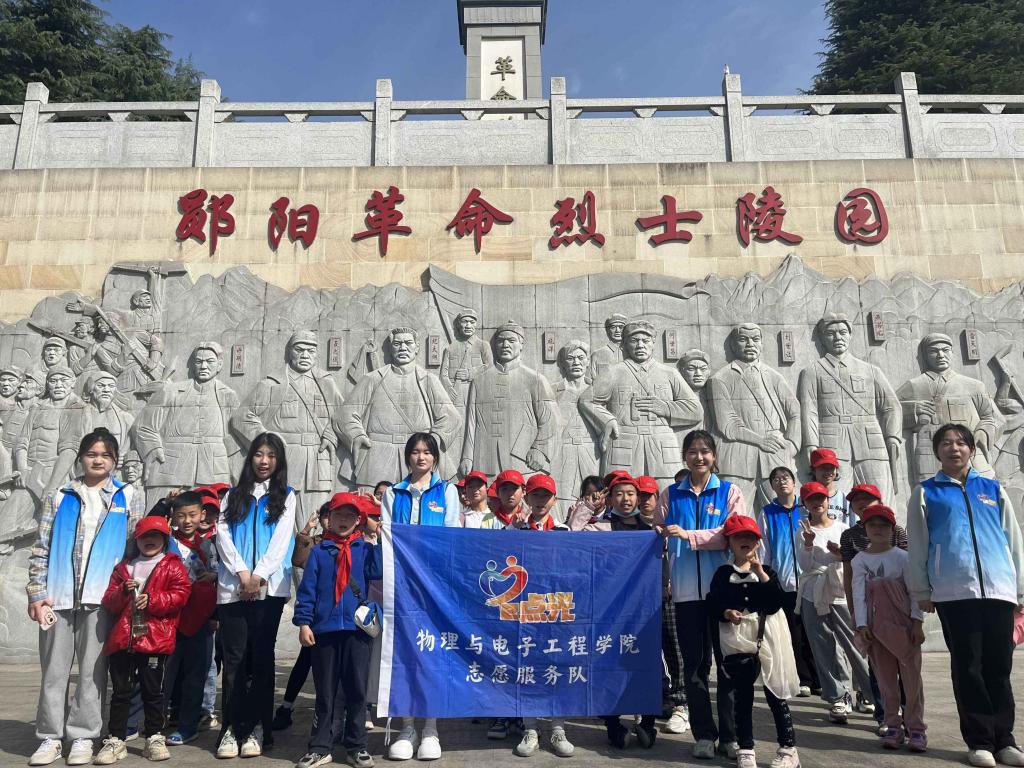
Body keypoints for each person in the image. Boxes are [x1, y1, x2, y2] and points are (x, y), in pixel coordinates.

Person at [27, 428, 145, 767]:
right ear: (81, 457)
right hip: (58, 597)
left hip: (102, 599)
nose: (98, 460)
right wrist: (37, 593)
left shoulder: (127, 495)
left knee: (94, 671)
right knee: (54, 671)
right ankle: (50, 736)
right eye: (92, 454)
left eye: (105, 455)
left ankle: (83, 735)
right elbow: (41, 547)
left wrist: (128, 592)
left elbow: (134, 549)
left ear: (115, 461)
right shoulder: (61, 494)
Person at [908, 423, 1024, 768]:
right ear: (937, 451)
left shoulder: (992, 489)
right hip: (954, 592)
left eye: (960, 442)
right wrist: (922, 590)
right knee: (968, 667)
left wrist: (1020, 588)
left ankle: (1005, 740)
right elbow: (918, 544)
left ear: (972, 449)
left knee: (999, 667)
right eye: (946, 443)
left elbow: (1013, 539)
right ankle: (980, 741)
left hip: (999, 590)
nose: (954, 448)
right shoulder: (926, 492)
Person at [654, 429, 744, 760]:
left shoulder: (730, 492)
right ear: (685, 457)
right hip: (685, 595)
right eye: (692, 452)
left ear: (714, 456)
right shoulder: (670, 495)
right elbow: (658, 533)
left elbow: (732, 535)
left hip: (722, 595)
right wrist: (662, 535)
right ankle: (704, 734)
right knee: (694, 667)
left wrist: (689, 535)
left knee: (728, 666)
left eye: (705, 451)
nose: (699, 457)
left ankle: (731, 736)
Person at [214, 432, 296, 759]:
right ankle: (232, 728)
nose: (264, 461)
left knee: (262, 658)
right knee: (234, 660)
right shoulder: (232, 495)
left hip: (269, 588)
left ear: (279, 461)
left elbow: (281, 540)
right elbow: (222, 535)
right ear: (250, 458)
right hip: (234, 588)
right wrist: (242, 573)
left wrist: (259, 574)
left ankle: (259, 727)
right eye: (259, 454)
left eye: (271, 455)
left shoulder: (286, 496)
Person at [381, 433, 461, 761]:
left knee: (432, 653)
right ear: (407, 457)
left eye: (427, 452)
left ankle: (430, 728)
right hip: (402, 586)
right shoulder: (393, 493)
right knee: (404, 653)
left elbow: (451, 537)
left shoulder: (447, 492)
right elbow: (387, 537)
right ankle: (407, 727)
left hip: (433, 586)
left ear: (435, 458)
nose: (421, 457)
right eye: (415, 452)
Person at [293, 493, 382, 768]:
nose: (343, 520)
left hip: (357, 630)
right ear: (328, 519)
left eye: (350, 516)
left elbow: (381, 567)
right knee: (325, 692)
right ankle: (320, 746)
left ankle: (357, 746)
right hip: (325, 631)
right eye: (338, 515)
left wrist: (378, 531)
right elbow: (307, 590)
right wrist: (304, 623)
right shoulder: (319, 552)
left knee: (357, 690)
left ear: (358, 521)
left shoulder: (365, 549)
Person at [95, 515, 191, 764]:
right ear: (136, 540)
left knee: (153, 691)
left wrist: (154, 600)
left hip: (154, 639)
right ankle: (116, 739)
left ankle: (154, 737)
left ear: (164, 539)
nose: (150, 540)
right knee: (120, 692)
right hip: (123, 639)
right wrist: (122, 592)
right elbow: (109, 602)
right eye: (144, 536)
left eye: (155, 536)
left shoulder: (173, 565)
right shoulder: (123, 568)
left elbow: (181, 595)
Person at [707, 514, 800, 768]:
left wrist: (760, 573)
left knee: (775, 691)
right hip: (736, 637)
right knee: (742, 694)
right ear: (729, 542)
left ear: (758, 542)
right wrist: (727, 612)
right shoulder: (723, 574)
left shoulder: (767, 571)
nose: (744, 541)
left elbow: (776, 602)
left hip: (768, 633)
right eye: (738, 537)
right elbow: (713, 602)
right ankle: (746, 748)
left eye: (750, 536)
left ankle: (788, 749)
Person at [851, 503, 927, 752]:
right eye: (872, 524)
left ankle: (916, 728)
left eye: (884, 525)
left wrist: (917, 623)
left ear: (893, 529)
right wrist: (861, 625)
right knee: (886, 682)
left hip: (904, 629)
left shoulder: (903, 558)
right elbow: (858, 594)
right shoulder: (859, 560)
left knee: (912, 682)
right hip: (876, 630)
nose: (878, 529)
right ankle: (892, 725)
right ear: (864, 528)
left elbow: (914, 592)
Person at [796, 482, 871, 725]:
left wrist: (840, 554)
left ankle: (869, 692)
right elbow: (805, 565)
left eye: (820, 498)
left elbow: (853, 560)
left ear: (828, 501)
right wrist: (808, 543)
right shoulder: (802, 530)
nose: (817, 503)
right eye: (811, 500)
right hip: (813, 592)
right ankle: (838, 696)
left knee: (854, 644)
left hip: (840, 590)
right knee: (822, 646)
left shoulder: (842, 528)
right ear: (805, 504)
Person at [513, 474, 574, 758]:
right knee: (527, 667)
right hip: (526, 609)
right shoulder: (515, 530)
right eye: (535, 495)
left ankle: (558, 728)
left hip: (557, 609)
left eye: (546, 496)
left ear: (554, 500)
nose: (540, 501)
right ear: (526, 498)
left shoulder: (563, 531)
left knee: (556, 667)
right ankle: (530, 728)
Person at [598, 474, 659, 750]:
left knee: (646, 662)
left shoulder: (650, 530)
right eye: (620, 494)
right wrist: (588, 509)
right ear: (610, 498)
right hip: (610, 608)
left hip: (643, 608)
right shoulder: (601, 527)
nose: (626, 499)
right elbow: (574, 536)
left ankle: (647, 723)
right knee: (609, 663)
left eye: (631, 493)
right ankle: (613, 725)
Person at [838, 483, 907, 723]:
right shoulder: (849, 536)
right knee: (876, 662)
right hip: (869, 607)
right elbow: (849, 574)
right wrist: (854, 609)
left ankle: (908, 714)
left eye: (867, 498)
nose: (861, 503)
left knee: (904, 661)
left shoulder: (896, 530)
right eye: (856, 500)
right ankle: (884, 715)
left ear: (879, 500)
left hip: (898, 606)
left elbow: (908, 568)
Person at [757, 466, 819, 698]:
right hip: (785, 582)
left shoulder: (806, 510)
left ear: (794, 483)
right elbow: (764, 549)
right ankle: (804, 678)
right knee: (795, 632)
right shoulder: (767, 513)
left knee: (815, 631)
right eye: (776, 479)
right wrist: (767, 578)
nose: (781, 482)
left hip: (810, 580)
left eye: (785, 478)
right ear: (772, 486)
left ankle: (820, 677)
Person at [164, 492, 219, 747]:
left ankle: (188, 726)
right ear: (173, 516)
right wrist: (164, 504)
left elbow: (220, 575)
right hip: (170, 617)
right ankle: (157, 719)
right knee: (165, 673)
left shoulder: (210, 545)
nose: (187, 521)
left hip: (201, 618)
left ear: (202, 515)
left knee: (196, 674)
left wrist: (216, 615)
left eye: (193, 515)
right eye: (181, 515)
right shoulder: (166, 541)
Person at [273, 503, 330, 732]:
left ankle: (329, 713)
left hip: (337, 614)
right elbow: (298, 560)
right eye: (326, 516)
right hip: (316, 613)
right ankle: (286, 707)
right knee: (305, 661)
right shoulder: (314, 543)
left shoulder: (352, 543)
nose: (329, 520)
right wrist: (305, 532)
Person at [808, 448, 852, 524]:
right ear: (814, 470)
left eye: (831, 467)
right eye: (823, 467)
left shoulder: (846, 498)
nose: (828, 471)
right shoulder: (806, 498)